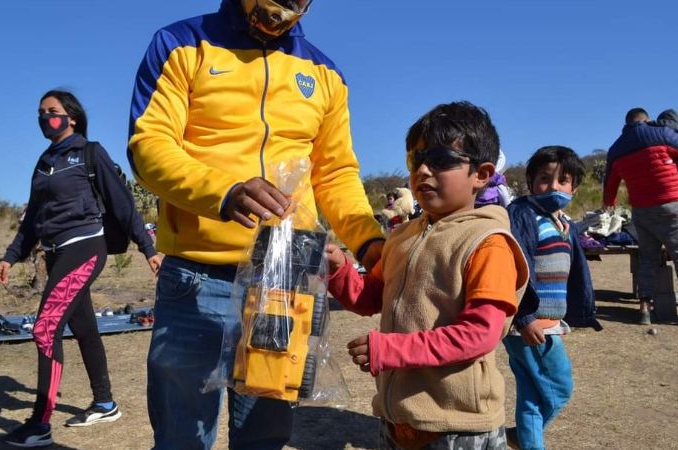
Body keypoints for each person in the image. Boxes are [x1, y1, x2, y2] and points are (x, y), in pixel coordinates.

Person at [126, 1, 385, 448]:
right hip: (196, 276)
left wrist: (371, 243)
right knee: (180, 438)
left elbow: (337, 173)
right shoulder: (180, 44)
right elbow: (149, 146)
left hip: (285, 281)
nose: (282, 9)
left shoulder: (326, 74)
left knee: (264, 437)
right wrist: (224, 193)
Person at [325, 101, 529, 450]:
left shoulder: (488, 243)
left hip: (458, 426)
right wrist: (337, 267)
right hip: (398, 419)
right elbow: (369, 296)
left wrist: (390, 349)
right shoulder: (401, 237)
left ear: (481, 174)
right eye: (415, 160)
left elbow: (480, 334)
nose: (422, 171)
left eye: (440, 160)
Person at [0, 90, 161, 448]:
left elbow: (122, 203)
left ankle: (40, 424)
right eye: (40, 113)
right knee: (83, 327)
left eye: (51, 111)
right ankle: (105, 402)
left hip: (85, 246)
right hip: (55, 252)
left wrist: (148, 248)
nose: (44, 118)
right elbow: (33, 219)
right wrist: (11, 256)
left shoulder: (89, 152)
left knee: (45, 329)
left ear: (71, 116)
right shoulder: (44, 163)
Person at [504, 146, 602, 450]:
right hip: (531, 324)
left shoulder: (562, 221)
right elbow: (513, 267)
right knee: (559, 388)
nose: (554, 186)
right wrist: (524, 318)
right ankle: (522, 437)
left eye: (563, 180)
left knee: (533, 393)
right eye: (545, 178)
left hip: (547, 321)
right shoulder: (523, 214)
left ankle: (523, 436)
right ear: (530, 181)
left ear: (574, 186)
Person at [604, 107, 678, 326]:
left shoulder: (616, 149)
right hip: (671, 205)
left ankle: (644, 309)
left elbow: (610, 184)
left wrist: (609, 202)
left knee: (647, 258)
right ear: (646, 120)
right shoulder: (660, 133)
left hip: (641, 210)